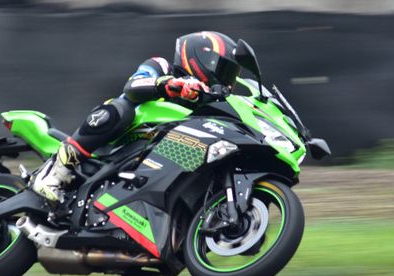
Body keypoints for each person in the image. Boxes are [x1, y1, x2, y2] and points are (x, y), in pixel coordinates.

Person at [32, 31, 243, 202]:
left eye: (231, 75)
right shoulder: (162, 66)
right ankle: (55, 171)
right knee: (120, 109)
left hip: (160, 155)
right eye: (223, 69)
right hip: (119, 138)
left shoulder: (206, 101)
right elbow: (133, 87)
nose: (226, 80)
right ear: (201, 58)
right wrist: (168, 85)